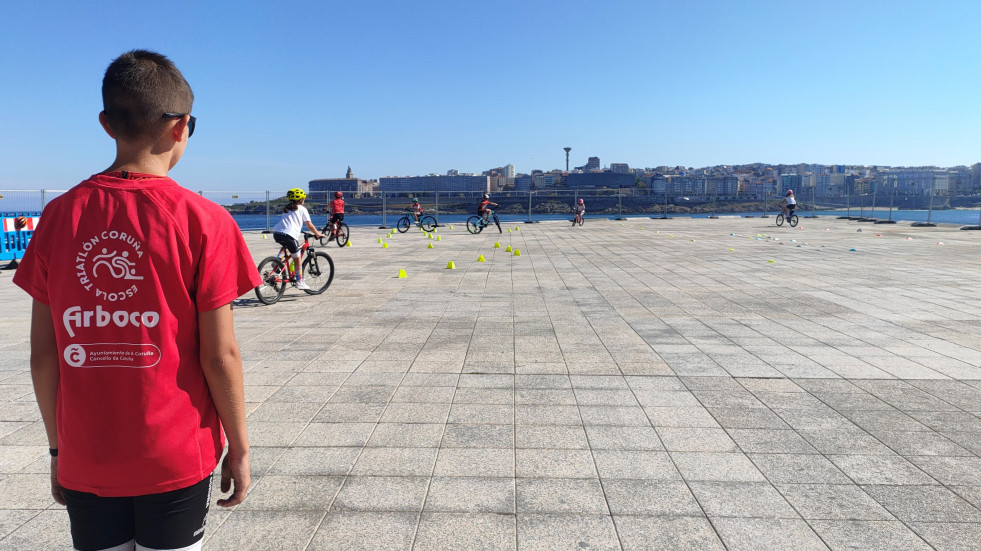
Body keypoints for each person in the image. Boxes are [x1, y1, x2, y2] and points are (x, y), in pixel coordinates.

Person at [12, 50, 261, 551]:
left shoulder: (59, 217)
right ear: (182, 127)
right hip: (175, 452)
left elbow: (45, 355)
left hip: (87, 453)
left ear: (106, 124)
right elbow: (220, 355)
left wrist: (59, 450)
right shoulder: (205, 220)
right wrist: (239, 447)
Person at [273, 188, 323, 288]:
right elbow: (310, 225)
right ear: (301, 200)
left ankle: (277, 262)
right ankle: (300, 281)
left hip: (277, 233)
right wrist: (318, 234)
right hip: (289, 235)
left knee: (286, 247)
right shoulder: (302, 209)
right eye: (303, 199)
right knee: (297, 258)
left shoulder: (287, 208)